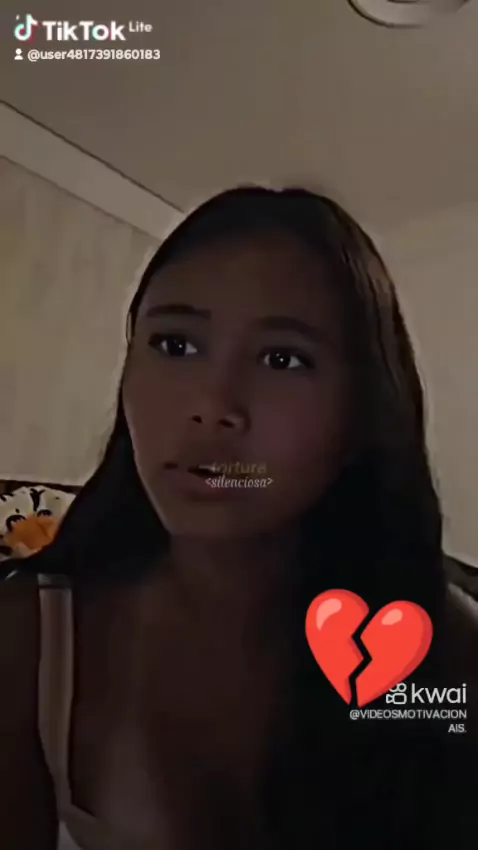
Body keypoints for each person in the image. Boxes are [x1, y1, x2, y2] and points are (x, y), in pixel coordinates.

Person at [1, 185, 477, 850]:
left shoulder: (450, 651)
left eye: (283, 359)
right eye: (175, 344)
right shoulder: (33, 636)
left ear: (363, 413)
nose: (213, 406)